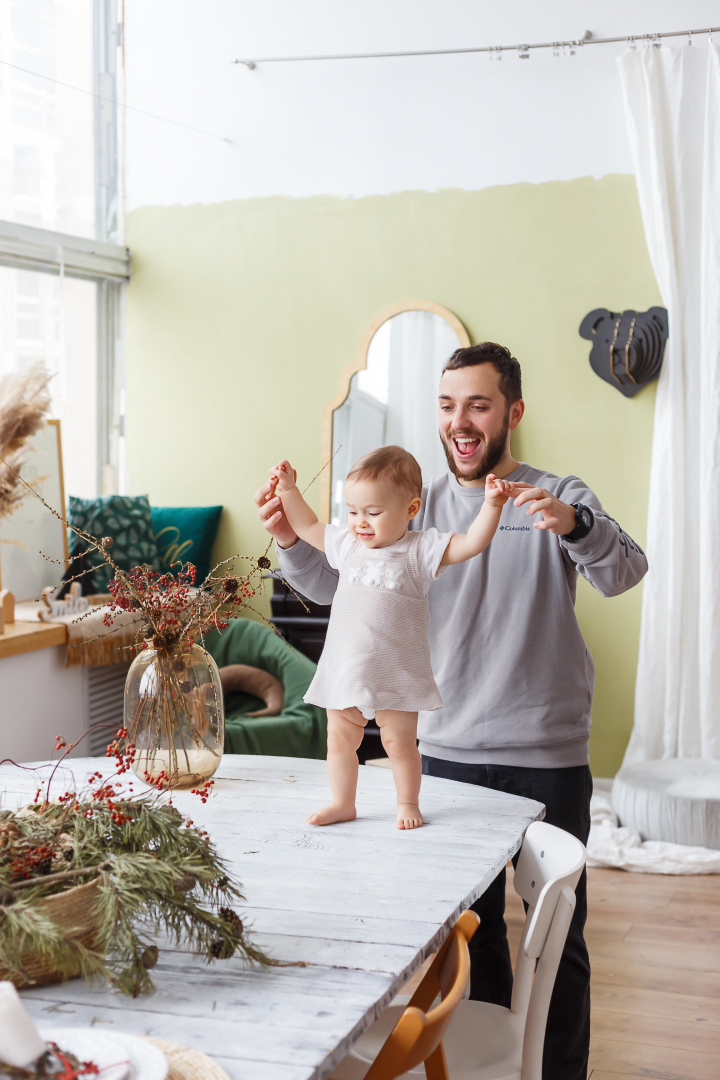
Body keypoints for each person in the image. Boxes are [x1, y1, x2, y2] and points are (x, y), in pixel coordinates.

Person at [255, 342, 648, 1080]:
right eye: (446, 404)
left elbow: (627, 571)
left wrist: (575, 525)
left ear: (512, 413)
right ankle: (489, 1068)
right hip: (443, 754)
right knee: (473, 943)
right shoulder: (412, 505)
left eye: (478, 403)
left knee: (560, 943)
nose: (460, 421)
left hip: (546, 756)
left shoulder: (554, 493)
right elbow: (340, 582)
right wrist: (285, 534)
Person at [266, 446, 515, 829]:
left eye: (373, 513)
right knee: (339, 741)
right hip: (348, 668)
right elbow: (307, 526)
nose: (360, 523)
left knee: (399, 745)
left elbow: (471, 543)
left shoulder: (421, 549)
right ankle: (343, 803)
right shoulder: (348, 544)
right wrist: (288, 490)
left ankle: (407, 802)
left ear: (411, 509)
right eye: (352, 512)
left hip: (397, 672)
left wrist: (492, 505)